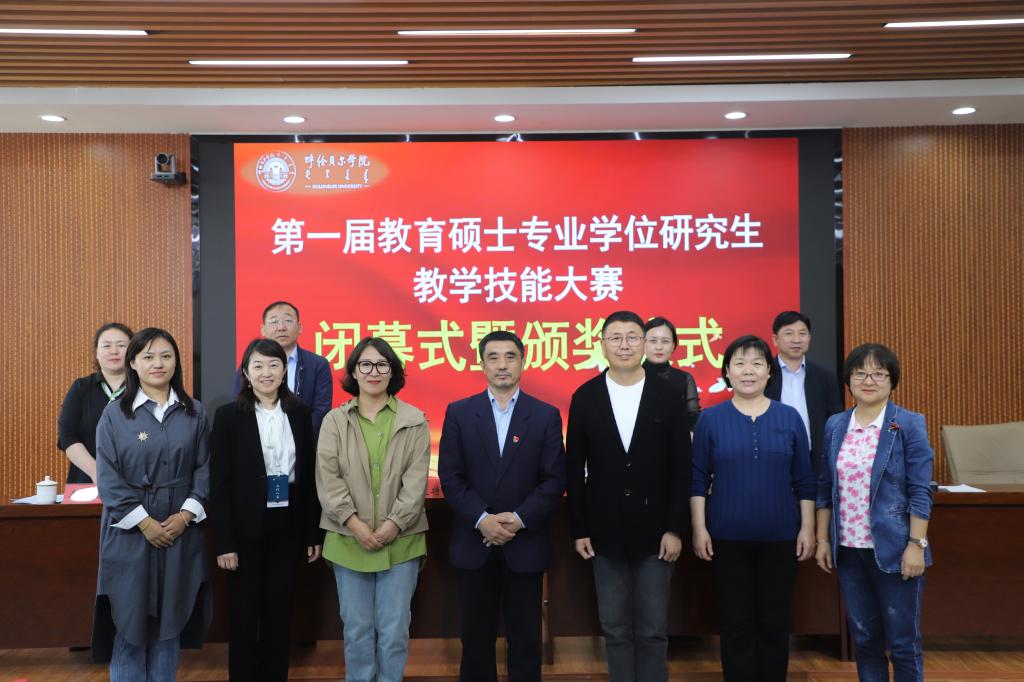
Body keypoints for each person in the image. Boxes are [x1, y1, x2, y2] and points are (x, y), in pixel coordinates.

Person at [566, 310, 691, 682]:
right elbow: (574, 467)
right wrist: (580, 528)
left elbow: (681, 468)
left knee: (653, 629)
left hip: (657, 533)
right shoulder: (585, 396)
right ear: (602, 345)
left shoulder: (667, 396)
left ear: (645, 343)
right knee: (615, 628)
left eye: (633, 337)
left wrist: (675, 528)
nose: (625, 345)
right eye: (616, 338)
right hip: (604, 533)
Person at [438, 330, 566, 682]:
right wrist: (482, 519)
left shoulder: (545, 415)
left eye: (510, 356)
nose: (502, 365)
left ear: (523, 362)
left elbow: (554, 480)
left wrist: (519, 519)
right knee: (475, 641)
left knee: (525, 642)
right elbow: (450, 476)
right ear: (482, 365)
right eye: (493, 357)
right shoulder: (460, 413)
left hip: (524, 543)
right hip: (474, 543)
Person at [690, 334, 816, 682]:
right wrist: (699, 528)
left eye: (757, 363)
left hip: (781, 537)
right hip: (726, 537)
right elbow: (698, 479)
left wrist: (808, 528)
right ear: (727, 372)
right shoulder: (710, 419)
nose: (748, 371)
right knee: (736, 624)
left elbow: (805, 480)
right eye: (740, 364)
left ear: (769, 372)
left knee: (775, 623)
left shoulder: (789, 417)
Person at [92, 328, 212, 681]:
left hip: (179, 531)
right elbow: (108, 478)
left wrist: (186, 515)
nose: (158, 363)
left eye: (165, 356)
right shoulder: (115, 414)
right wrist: (145, 523)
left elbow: (205, 469)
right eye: (148, 357)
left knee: (169, 623)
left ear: (176, 362)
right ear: (132, 363)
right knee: (128, 621)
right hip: (129, 534)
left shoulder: (195, 412)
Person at [815, 343, 933, 682]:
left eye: (878, 374)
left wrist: (916, 545)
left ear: (892, 380)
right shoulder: (836, 425)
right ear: (848, 380)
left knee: (903, 643)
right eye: (860, 373)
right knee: (865, 640)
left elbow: (920, 490)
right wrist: (823, 540)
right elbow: (825, 486)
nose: (869, 381)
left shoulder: (907, 424)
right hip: (850, 550)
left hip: (896, 549)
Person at [316, 337, 430, 682]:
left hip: (402, 540)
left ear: (393, 371)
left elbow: (416, 481)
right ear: (353, 371)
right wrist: (356, 525)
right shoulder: (335, 421)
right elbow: (329, 479)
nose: (374, 371)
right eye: (365, 364)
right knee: (357, 632)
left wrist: (394, 524)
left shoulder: (414, 419)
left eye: (383, 364)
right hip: (348, 539)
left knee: (394, 632)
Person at [211, 338, 323, 681]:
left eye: (274, 365)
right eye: (257, 366)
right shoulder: (228, 416)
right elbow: (219, 483)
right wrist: (224, 543)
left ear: (284, 371)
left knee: (280, 612)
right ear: (246, 373)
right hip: (244, 528)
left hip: (288, 523)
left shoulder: (300, 413)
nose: (266, 372)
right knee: (243, 615)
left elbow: (309, 477)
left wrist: (312, 533)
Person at [236, 300, 333, 440]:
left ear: (300, 327)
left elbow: (321, 411)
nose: (281, 327)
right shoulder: (250, 365)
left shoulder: (317, 364)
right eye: (274, 321)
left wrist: (297, 439)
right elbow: (240, 401)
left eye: (288, 320)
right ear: (263, 329)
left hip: (303, 441)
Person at [765, 311, 844, 472]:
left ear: (809, 338)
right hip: (771, 457)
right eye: (789, 333)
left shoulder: (825, 377)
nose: (796, 340)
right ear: (775, 339)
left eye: (802, 333)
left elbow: (836, 421)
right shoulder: (763, 375)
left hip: (814, 460)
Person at [58, 322, 134, 483]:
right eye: (106, 346)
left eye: (121, 345)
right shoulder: (81, 388)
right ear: (97, 353)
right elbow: (66, 437)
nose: (114, 351)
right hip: (89, 481)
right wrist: (98, 473)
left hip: (136, 482)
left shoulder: (144, 388)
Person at [642, 316, 701, 429]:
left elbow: (693, 418)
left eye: (665, 341)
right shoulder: (632, 376)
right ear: (643, 344)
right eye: (653, 341)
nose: (659, 347)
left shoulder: (684, 379)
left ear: (673, 345)